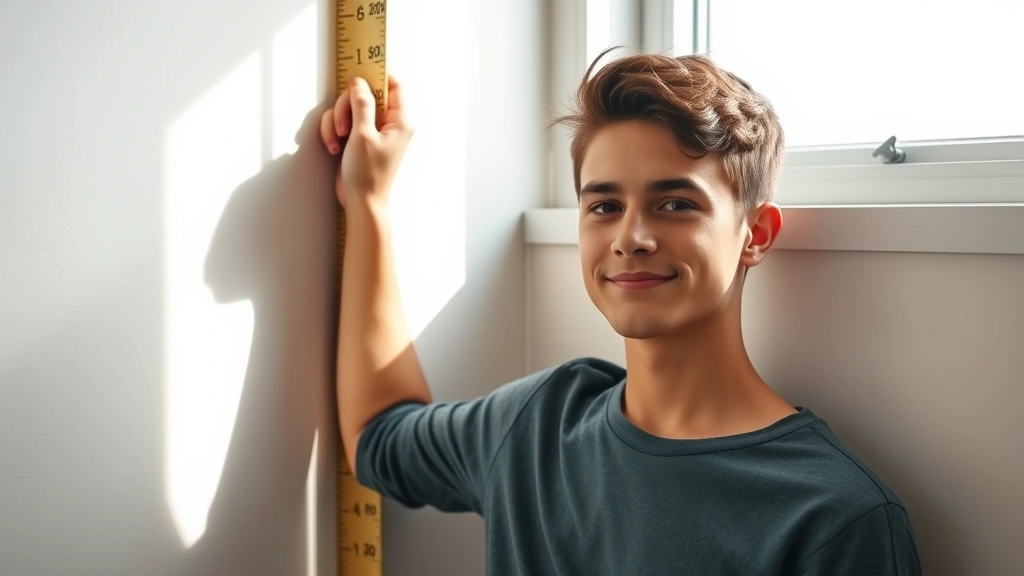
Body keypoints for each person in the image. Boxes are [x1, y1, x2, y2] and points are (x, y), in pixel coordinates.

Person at [319, 50, 922, 575]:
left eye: (676, 202)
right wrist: (369, 203)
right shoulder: (535, 426)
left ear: (755, 234)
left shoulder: (836, 518)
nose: (631, 236)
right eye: (604, 205)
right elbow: (379, 435)